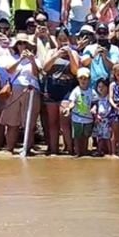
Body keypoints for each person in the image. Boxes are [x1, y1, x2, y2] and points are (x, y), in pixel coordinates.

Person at [0, 33, 41, 154]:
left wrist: (32, 60)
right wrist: (21, 59)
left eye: (25, 43)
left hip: (30, 90)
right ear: (16, 45)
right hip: (15, 90)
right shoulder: (12, 58)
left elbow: (36, 74)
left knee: (29, 122)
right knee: (12, 123)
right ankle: (9, 148)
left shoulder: (36, 59)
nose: (23, 46)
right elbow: (9, 70)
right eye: (20, 43)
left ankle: (27, 148)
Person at [42, 26, 79, 155]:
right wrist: (56, 55)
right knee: (52, 122)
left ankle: (70, 149)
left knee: (64, 120)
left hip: (67, 88)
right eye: (60, 39)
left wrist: (69, 53)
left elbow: (76, 71)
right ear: (56, 39)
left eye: (65, 39)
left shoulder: (73, 53)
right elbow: (45, 68)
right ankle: (53, 150)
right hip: (52, 87)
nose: (62, 41)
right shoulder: (51, 51)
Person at [64, 67, 96, 157]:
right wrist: (68, 109)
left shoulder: (91, 91)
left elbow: (95, 102)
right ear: (77, 79)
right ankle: (77, 152)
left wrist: (94, 108)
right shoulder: (75, 91)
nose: (83, 80)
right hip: (77, 118)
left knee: (86, 136)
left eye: (85, 78)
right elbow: (72, 102)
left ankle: (84, 152)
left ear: (89, 79)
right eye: (81, 78)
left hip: (88, 119)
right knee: (77, 136)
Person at [81, 23, 119, 89]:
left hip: (108, 85)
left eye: (104, 33)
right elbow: (83, 62)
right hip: (92, 85)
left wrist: (105, 57)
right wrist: (93, 55)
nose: (102, 35)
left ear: (108, 34)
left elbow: (115, 67)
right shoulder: (89, 48)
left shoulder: (114, 48)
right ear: (95, 34)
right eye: (99, 33)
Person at [93, 78, 112, 156]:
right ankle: (99, 150)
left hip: (107, 119)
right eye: (99, 87)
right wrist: (96, 115)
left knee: (107, 137)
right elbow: (95, 107)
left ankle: (110, 151)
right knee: (99, 136)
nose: (101, 88)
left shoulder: (109, 97)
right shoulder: (97, 98)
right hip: (99, 120)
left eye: (103, 86)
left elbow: (111, 107)